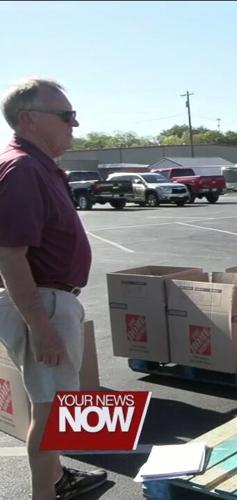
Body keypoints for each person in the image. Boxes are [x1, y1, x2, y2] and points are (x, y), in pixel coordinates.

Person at [0, 79, 108, 500]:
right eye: (66, 116)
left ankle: (58, 481)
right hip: (43, 302)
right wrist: (41, 326)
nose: (75, 124)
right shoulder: (24, 168)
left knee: (53, 406)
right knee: (52, 414)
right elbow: (10, 255)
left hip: (50, 301)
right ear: (29, 119)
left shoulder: (37, 165)